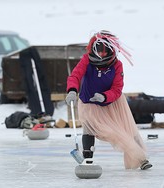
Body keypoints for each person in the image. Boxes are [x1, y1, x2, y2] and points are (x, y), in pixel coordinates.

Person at [65, 30, 152, 170]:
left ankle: (141, 158)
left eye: (106, 51)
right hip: (89, 103)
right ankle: (88, 161)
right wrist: (72, 91)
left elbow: (117, 88)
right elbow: (75, 76)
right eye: (99, 50)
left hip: (113, 103)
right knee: (89, 129)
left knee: (127, 129)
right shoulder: (86, 60)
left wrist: (105, 96)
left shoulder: (117, 65)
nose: (102, 54)